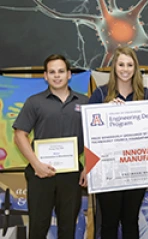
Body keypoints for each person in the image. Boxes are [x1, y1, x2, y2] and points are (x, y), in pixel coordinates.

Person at [12, 54, 88, 239]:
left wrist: (88, 167)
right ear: (45, 76)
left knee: (68, 227)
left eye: (61, 71)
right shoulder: (34, 102)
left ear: (69, 74)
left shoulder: (85, 102)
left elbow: (94, 138)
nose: (57, 76)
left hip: (71, 175)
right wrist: (36, 165)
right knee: (38, 227)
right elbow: (19, 135)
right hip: (40, 174)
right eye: (52, 72)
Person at [89, 47, 148, 239]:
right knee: (109, 223)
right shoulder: (100, 95)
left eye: (129, 65)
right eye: (121, 65)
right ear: (114, 67)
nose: (125, 69)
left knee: (130, 221)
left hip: (137, 170)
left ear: (135, 68)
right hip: (108, 171)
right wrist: (103, 111)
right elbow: (89, 131)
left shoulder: (147, 95)